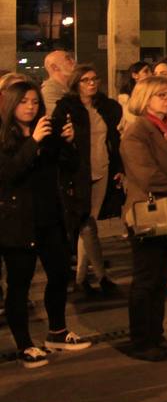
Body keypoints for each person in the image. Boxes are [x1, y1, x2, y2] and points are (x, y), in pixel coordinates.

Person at [0, 79, 88, 369]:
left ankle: (58, 331)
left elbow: (70, 166)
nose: (30, 107)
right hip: (18, 221)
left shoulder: (46, 131)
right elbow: (9, 173)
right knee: (19, 284)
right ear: (11, 105)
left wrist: (69, 142)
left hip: (50, 216)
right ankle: (25, 344)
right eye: (24, 102)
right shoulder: (5, 137)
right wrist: (33, 141)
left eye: (35, 102)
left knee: (60, 274)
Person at [119, 76, 167, 362]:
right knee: (146, 278)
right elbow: (146, 174)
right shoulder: (137, 131)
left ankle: (155, 335)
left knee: (161, 277)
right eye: (160, 95)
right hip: (148, 211)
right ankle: (141, 340)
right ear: (145, 98)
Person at [50, 63, 123, 298]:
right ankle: (101, 276)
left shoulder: (106, 107)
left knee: (87, 224)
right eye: (86, 80)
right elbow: (57, 145)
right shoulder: (66, 108)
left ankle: (81, 280)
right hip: (77, 173)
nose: (92, 83)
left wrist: (118, 168)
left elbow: (113, 139)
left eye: (94, 79)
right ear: (76, 83)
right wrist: (67, 141)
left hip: (101, 170)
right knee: (86, 224)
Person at [40, 50, 75, 115]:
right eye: (68, 59)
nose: (73, 61)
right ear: (55, 67)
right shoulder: (49, 91)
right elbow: (64, 115)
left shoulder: (72, 87)